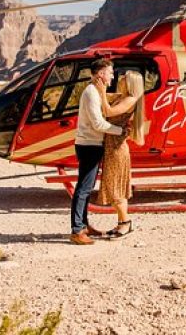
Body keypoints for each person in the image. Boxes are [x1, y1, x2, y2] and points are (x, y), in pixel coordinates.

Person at [69, 58, 124, 245]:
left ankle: (83, 225)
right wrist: (121, 131)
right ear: (101, 73)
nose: (112, 75)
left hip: (92, 144)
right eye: (110, 72)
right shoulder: (91, 93)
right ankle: (77, 230)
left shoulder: (96, 91)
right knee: (83, 188)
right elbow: (98, 123)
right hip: (89, 146)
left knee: (86, 187)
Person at [95, 70, 144, 238]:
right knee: (112, 186)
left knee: (117, 188)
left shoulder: (130, 100)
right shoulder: (121, 96)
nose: (120, 79)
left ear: (130, 83)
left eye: (124, 78)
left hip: (117, 150)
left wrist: (101, 92)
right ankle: (121, 223)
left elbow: (108, 112)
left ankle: (125, 223)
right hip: (111, 147)